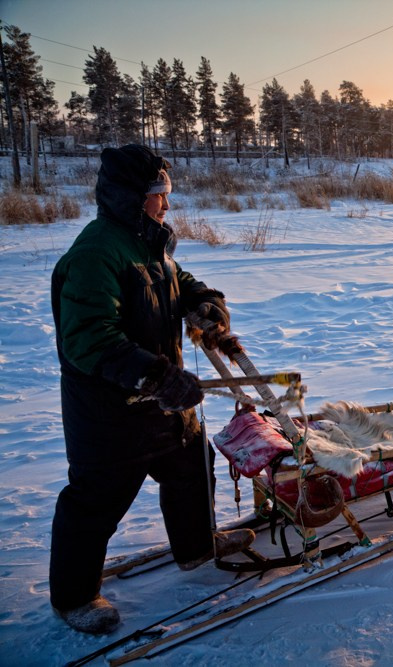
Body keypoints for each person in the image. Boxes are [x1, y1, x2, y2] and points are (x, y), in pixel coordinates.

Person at [49, 144, 254, 634]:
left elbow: (176, 281)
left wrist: (204, 303)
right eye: (159, 192)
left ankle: (196, 548)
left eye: (167, 191)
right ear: (129, 197)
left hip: (163, 400)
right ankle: (74, 598)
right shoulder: (96, 252)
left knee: (190, 470)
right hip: (111, 409)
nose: (166, 202)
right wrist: (158, 377)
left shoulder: (147, 243)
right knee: (97, 499)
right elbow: (90, 338)